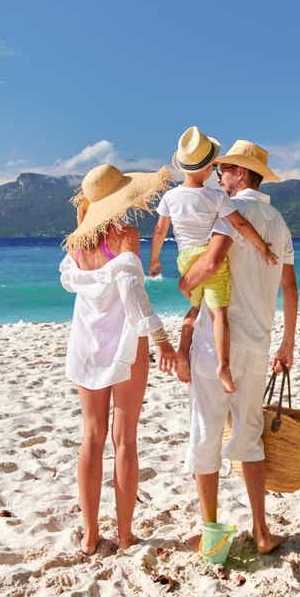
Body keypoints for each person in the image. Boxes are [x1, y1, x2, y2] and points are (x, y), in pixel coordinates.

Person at [59, 163, 185, 554]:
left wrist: (85, 219)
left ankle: (91, 534)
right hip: (127, 348)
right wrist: (162, 341)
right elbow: (132, 293)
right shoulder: (126, 235)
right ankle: (127, 534)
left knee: (91, 437)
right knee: (125, 438)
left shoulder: (77, 246)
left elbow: (74, 280)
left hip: (87, 344)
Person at [179, 139, 297, 556]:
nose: (218, 176)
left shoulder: (230, 212)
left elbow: (210, 264)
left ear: (241, 174)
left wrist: (185, 283)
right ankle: (262, 533)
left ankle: (213, 539)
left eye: (224, 170)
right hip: (258, 344)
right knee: (250, 435)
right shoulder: (278, 221)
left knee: (206, 432)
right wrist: (288, 342)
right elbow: (289, 286)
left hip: (218, 347)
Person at [150, 126, 278, 394]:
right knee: (219, 314)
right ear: (208, 169)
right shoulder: (215, 196)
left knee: (194, 309)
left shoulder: (170, 197)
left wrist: (154, 261)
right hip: (207, 257)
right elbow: (240, 224)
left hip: (184, 259)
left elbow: (160, 231)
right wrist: (262, 247)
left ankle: (183, 350)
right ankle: (223, 365)